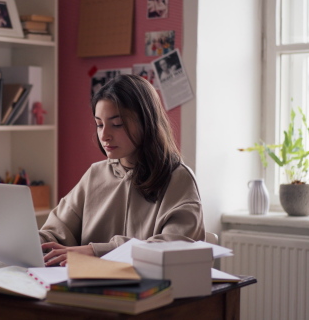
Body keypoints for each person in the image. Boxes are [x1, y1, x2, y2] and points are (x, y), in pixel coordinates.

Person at [40, 74, 204, 266]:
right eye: (99, 124)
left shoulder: (178, 178)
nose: (104, 135)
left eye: (117, 124)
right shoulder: (95, 174)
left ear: (146, 122)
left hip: (151, 289)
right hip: (88, 288)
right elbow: (57, 231)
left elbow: (174, 246)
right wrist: (33, 242)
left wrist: (96, 251)